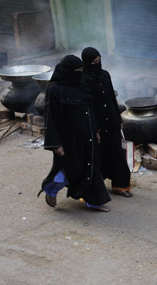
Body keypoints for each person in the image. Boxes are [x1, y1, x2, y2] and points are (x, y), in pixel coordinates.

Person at [37, 55, 111, 212]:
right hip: (68, 139)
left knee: (92, 169)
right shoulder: (55, 90)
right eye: (77, 71)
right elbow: (51, 118)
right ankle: (51, 189)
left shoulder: (82, 83)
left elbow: (89, 109)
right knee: (69, 170)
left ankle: (94, 202)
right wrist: (55, 144)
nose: (80, 73)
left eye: (81, 70)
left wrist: (95, 130)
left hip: (87, 135)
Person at [82, 47, 132, 197]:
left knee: (117, 154)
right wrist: (94, 128)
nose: (97, 64)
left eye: (99, 60)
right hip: (97, 124)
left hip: (111, 122)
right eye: (94, 62)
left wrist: (118, 119)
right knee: (98, 157)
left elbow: (111, 98)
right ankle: (97, 189)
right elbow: (88, 106)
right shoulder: (83, 80)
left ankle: (120, 186)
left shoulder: (105, 75)